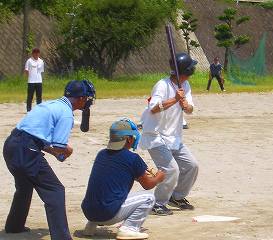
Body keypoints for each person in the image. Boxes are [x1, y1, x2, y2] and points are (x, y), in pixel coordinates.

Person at [3, 80, 96, 240]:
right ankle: (61, 237)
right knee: (55, 191)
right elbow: (59, 146)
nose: (88, 101)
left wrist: (56, 153)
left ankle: (14, 226)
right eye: (87, 98)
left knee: (24, 187)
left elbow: (38, 138)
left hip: (11, 146)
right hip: (27, 151)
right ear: (81, 99)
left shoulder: (51, 104)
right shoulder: (66, 113)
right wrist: (66, 151)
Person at [81, 118, 165, 239]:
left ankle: (91, 226)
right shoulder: (133, 158)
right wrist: (159, 177)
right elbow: (148, 185)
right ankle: (128, 228)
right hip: (108, 214)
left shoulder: (101, 154)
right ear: (129, 139)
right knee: (149, 198)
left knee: (104, 192)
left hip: (88, 212)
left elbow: (116, 172)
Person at [139, 52, 199, 216]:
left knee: (191, 166)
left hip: (174, 137)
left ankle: (177, 197)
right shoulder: (162, 85)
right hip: (155, 136)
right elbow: (154, 107)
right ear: (188, 70)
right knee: (171, 170)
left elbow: (190, 109)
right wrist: (174, 99)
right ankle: (158, 203)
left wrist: (186, 105)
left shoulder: (185, 86)